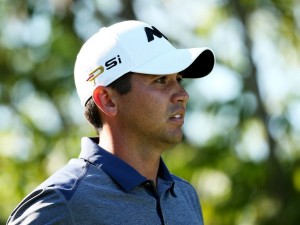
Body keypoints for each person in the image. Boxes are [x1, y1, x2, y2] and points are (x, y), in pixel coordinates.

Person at [7, 20, 215, 225]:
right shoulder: (59, 204)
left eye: (178, 79)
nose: (182, 95)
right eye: (160, 80)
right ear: (107, 100)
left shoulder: (185, 196)